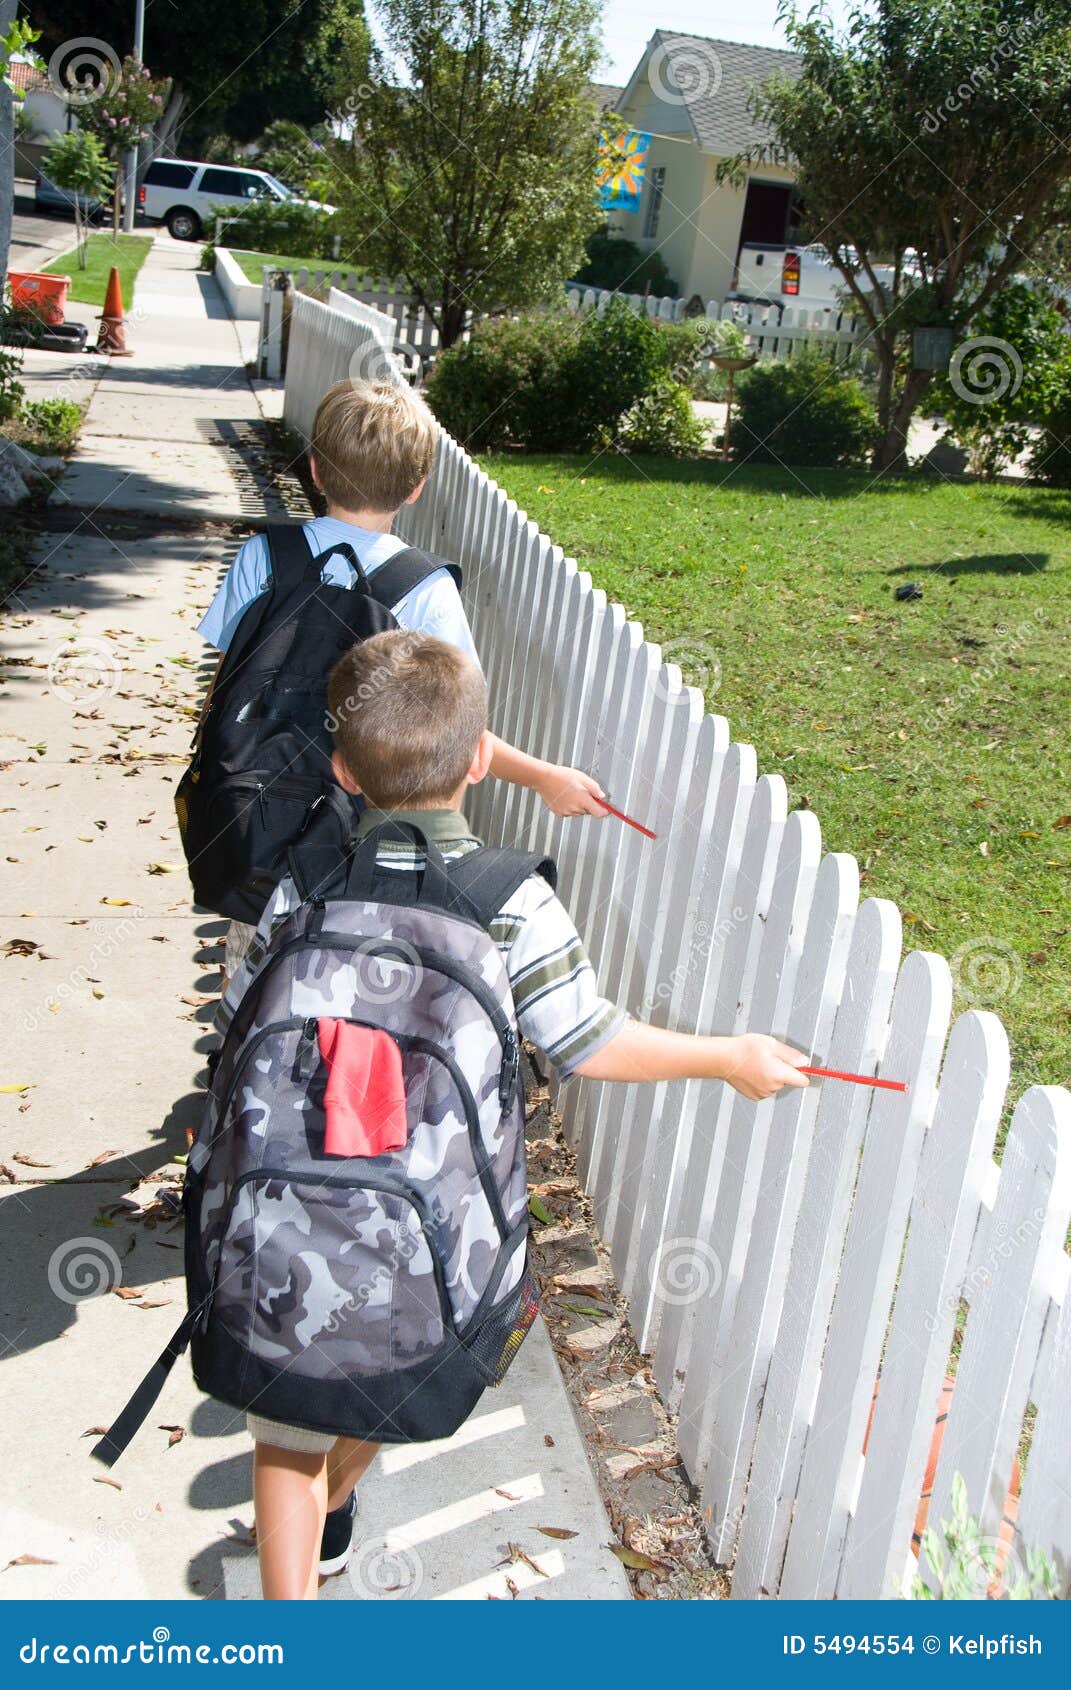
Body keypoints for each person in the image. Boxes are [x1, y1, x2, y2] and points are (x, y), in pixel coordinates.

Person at [221, 629, 809, 1599]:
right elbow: (589, 1040)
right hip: (435, 1217)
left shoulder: (304, 881)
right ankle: (335, 1504)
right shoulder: (509, 900)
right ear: (480, 760)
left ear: (342, 769)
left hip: (290, 1203)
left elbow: (244, 1019)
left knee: (286, 1429)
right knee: (391, 1372)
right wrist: (726, 1056)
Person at [196, 377, 605, 984]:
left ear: (316, 470)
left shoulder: (264, 555)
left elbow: (225, 685)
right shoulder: (423, 587)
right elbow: (457, 731)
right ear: (416, 487)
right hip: (362, 839)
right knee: (342, 979)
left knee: (257, 980)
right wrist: (546, 777)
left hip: (253, 816)